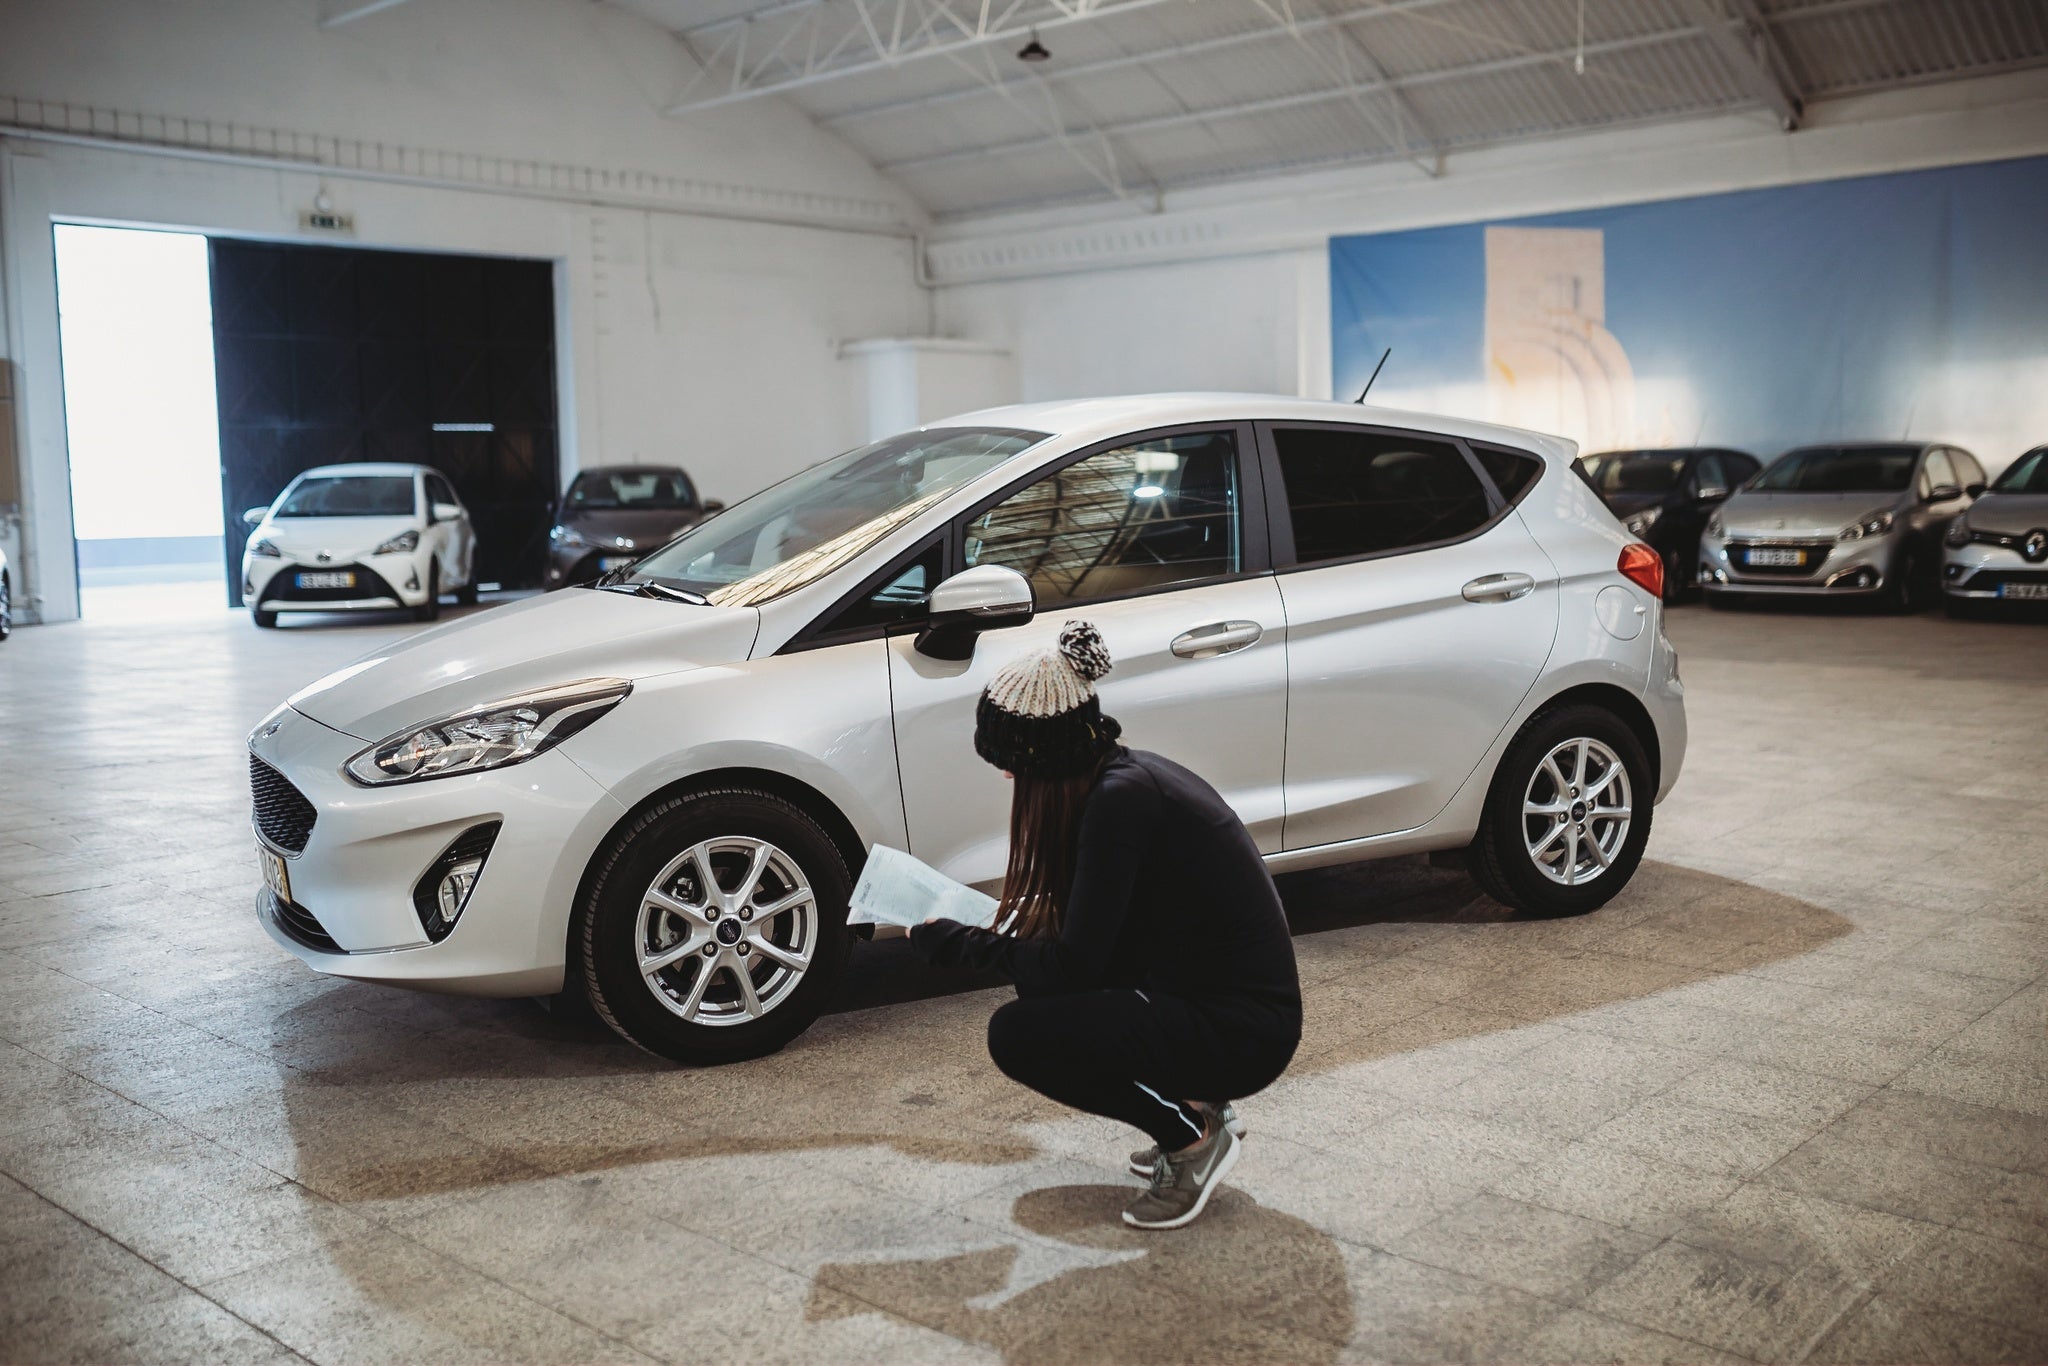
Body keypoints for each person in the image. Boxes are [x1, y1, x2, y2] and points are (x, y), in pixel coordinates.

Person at [910, 621, 1302, 1230]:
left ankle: (1192, 1138)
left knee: (1018, 1035)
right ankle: (1198, 1105)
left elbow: (1077, 964)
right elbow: (1087, 947)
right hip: (1210, 1000)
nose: (1007, 777)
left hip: (1245, 1031)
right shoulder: (1122, 781)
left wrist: (955, 941)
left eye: (1012, 763)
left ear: (1046, 757)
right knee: (1040, 993)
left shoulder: (1122, 803)